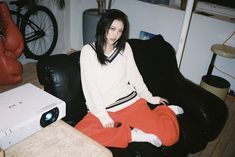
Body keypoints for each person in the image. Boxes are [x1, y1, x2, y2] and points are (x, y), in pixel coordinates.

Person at [75, 9, 184, 148]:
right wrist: (103, 116)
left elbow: (135, 76)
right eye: (112, 28)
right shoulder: (88, 51)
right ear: (103, 26)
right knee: (78, 134)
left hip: (128, 103)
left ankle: (166, 111)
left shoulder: (125, 48)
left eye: (120, 31)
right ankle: (135, 135)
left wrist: (150, 98)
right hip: (102, 108)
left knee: (170, 137)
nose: (116, 35)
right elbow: (90, 88)